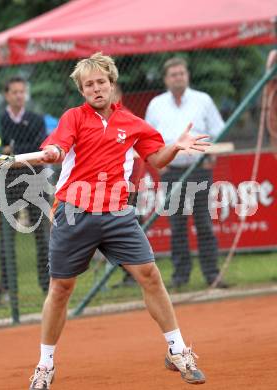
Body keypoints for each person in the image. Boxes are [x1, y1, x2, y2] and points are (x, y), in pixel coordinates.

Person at [28, 52, 209, 389]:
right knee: (61, 288)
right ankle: (45, 365)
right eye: (89, 85)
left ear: (112, 85)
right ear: (82, 91)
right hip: (74, 211)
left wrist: (176, 146)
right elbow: (58, 145)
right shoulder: (73, 118)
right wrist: (52, 152)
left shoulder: (132, 123)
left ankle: (178, 350)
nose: (96, 89)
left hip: (116, 213)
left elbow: (156, 159)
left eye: (101, 82)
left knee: (150, 276)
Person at [145, 57, 227, 289]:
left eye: (181, 73)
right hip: (171, 173)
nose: (178, 77)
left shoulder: (203, 100)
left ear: (187, 75)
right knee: (177, 226)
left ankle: (212, 275)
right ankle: (180, 277)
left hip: (200, 171)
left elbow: (219, 131)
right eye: (173, 74)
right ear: (166, 79)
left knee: (204, 223)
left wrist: (212, 157)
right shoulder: (156, 104)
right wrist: (161, 164)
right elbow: (149, 139)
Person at [0, 76, 50, 293]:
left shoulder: (36, 119)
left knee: (42, 236)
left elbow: (39, 147)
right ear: (6, 95)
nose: (19, 95)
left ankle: (47, 285)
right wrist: (12, 151)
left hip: (35, 179)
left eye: (22, 91)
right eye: (15, 92)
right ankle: (10, 289)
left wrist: (14, 150)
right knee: (6, 236)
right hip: (8, 181)